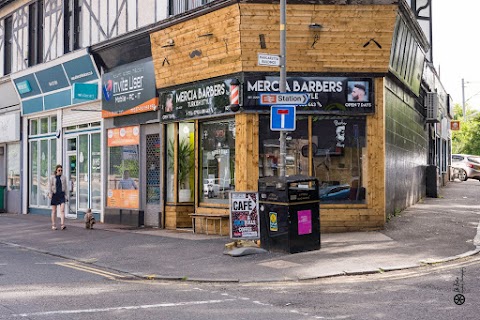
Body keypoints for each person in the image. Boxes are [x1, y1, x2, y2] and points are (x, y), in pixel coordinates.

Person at [49, 164, 68, 230]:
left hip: (61, 195)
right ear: (56, 170)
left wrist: (66, 196)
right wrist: (50, 194)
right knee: (54, 211)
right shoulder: (52, 177)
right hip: (55, 195)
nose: (60, 171)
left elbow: (66, 187)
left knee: (62, 210)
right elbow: (49, 186)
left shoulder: (64, 177)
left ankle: (62, 224)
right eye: (59, 170)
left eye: (61, 170)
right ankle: (53, 225)